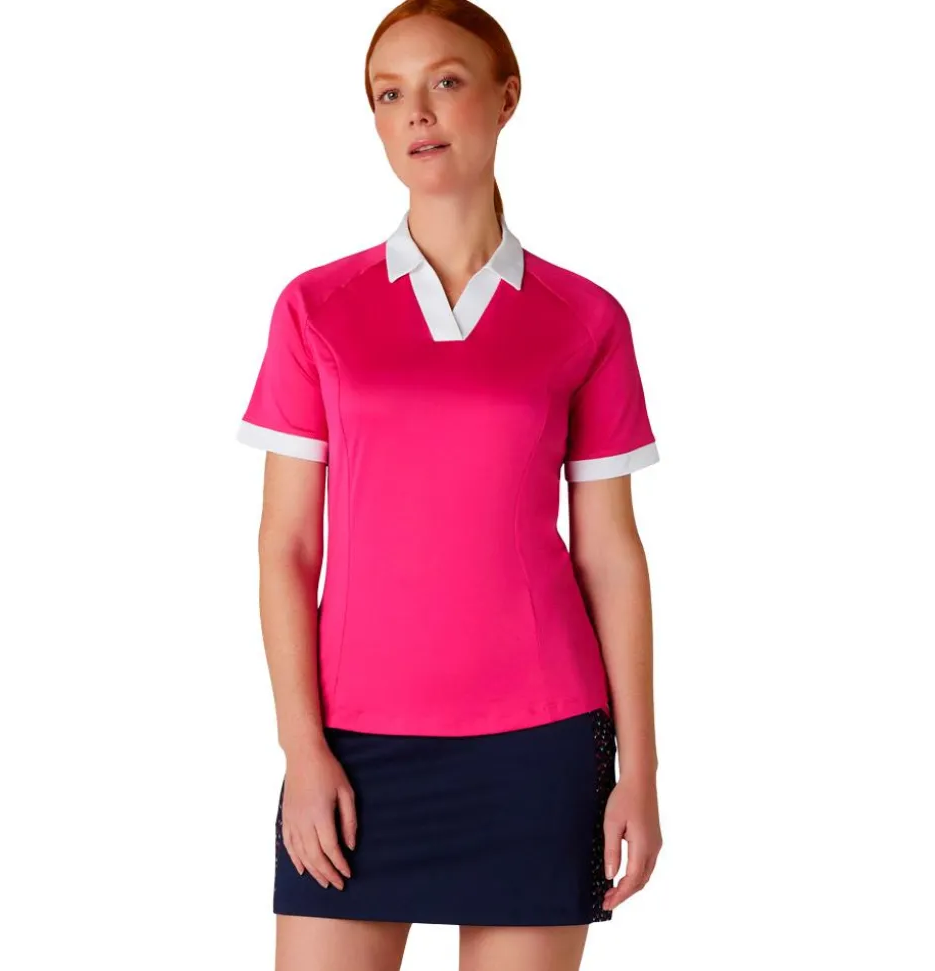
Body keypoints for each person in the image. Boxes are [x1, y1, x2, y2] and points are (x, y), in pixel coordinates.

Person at [236, 2, 663, 968]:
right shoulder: (316, 308)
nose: (418, 113)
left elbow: (610, 554)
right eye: (389, 94)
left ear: (507, 98)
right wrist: (302, 750)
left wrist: (638, 770)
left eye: (446, 82)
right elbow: (287, 547)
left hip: (541, 744)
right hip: (351, 749)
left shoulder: (585, 317)